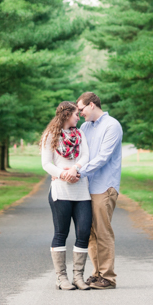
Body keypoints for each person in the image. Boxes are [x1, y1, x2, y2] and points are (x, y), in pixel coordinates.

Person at [62, 92, 122, 290]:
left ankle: (108, 277)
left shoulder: (112, 125)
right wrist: (63, 169)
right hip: (87, 187)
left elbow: (103, 157)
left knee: (103, 232)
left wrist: (78, 171)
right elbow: (79, 153)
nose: (79, 113)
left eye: (81, 109)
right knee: (90, 233)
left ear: (92, 105)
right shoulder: (86, 127)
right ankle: (97, 275)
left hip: (104, 186)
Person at [40, 101, 92, 291]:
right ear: (67, 114)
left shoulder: (80, 135)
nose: (79, 117)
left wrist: (75, 169)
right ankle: (61, 278)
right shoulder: (50, 135)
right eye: (76, 114)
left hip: (81, 190)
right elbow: (46, 164)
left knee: (83, 232)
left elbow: (85, 157)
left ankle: (78, 277)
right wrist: (64, 175)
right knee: (61, 233)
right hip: (60, 190)